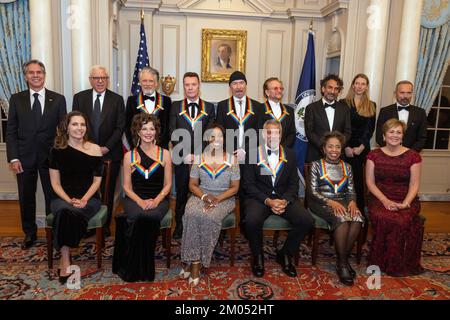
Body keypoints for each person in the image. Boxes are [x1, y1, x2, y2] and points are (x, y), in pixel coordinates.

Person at [6, 59, 67, 249]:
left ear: (44, 74)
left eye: (39, 72)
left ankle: (54, 232)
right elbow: (11, 131)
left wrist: (61, 157)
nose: (35, 75)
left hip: (50, 158)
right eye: (31, 73)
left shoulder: (57, 99)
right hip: (23, 158)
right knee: (26, 196)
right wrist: (13, 157)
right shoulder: (16, 99)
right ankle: (29, 233)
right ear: (26, 76)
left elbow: (63, 131)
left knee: (53, 196)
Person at [242, 120, 313, 278]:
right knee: (251, 220)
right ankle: (258, 256)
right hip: (259, 198)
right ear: (263, 134)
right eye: (269, 132)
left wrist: (285, 201)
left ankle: (285, 254)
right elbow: (249, 185)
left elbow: (294, 184)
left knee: (306, 220)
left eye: (277, 132)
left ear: (281, 135)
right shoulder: (252, 153)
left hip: (283, 198)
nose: (273, 136)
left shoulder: (291, 154)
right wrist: (268, 201)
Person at [112, 113, 172, 282]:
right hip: (134, 199)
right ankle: (135, 267)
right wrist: (140, 201)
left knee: (149, 216)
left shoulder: (165, 154)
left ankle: (144, 268)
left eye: (151, 128)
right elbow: (127, 188)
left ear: (156, 132)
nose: (148, 132)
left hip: (159, 199)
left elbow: (168, 185)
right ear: (137, 132)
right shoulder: (129, 156)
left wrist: (156, 200)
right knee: (139, 215)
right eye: (144, 128)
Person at [180, 123, 240, 286]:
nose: (216, 139)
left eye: (220, 136)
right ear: (207, 139)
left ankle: (196, 263)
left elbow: (235, 188)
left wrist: (217, 199)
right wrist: (205, 196)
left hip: (224, 198)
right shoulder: (199, 158)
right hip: (201, 195)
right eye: (212, 136)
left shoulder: (232, 159)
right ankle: (191, 259)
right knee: (191, 214)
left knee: (207, 216)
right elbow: (192, 185)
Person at [48, 111, 103, 284]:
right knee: (65, 211)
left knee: (68, 213)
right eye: (75, 124)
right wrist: (68, 199)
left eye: (82, 124)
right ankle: (65, 258)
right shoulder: (56, 150)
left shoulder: (94, 148)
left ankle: (65, 257)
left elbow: (97, 181)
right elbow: (55, 184)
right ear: (67, 127)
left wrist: (84, 199)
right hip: (62, 198)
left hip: (90, 198)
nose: (79, 128)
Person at [366, 118, 425, 276]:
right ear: (384, 135)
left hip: (406, 198)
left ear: (403, 136)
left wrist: (405, 204)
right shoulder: (373, 155)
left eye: (399, 132)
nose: (395, 135)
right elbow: (370, 183)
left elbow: (414, 185)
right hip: (379, 198)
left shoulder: (413, 156)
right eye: (391, 132)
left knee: (402, 220)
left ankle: (399, 263)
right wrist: (385, 201)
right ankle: (380, 261)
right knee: (386, 218)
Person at [72, 65, 125, 237]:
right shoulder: (79, 98)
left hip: (110, 153)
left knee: (107, 191)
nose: (100, 81)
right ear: (90, 80)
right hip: (85, 152)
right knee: (88, 189)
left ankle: (105, 225)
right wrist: (90, 147)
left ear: (107, 79)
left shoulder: (117, 99)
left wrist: (105, 147)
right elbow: (77, 125)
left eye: (103, 78)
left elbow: (119, 127)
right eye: (96, 78)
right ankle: (89, 224)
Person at [308, 132, 363, 286]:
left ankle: (342, 260)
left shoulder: (348, 167)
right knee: (342, 220)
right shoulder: (315, 165)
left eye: (337, 147)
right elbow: (312, 192)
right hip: (321, 202)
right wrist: (331, 203)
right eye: (330, 146)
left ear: (341, 148)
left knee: (358, 218)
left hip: (343, 201)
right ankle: (344, 264)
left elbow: (351, 191)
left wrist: (352, 203)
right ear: (324, 149)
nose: (334, 150)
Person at [169, 72, 215, 239]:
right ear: (184, 87)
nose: (190, 88)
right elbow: (172, 132)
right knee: (181, 193)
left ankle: (200, 226)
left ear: (198, 85)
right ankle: (180, 226)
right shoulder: (175, 106)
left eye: (193, 84)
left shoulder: (209, 107)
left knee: (201, 193)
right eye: (187, 85)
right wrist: (184, 154)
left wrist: (199, 155)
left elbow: (209, 134)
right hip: (182, 159)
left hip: (202, 160)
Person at [341, 74, 376, 213]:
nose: (360, 86)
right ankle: (344, 209)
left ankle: (359, 211)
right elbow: (342, 126)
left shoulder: (371, 105)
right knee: (345, 180)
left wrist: (361, 147)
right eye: (357, 83)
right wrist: (347, 147)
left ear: (366, 87)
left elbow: (370, 129)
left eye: (363, 84)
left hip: (362, 149)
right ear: (353, 85)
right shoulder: (343, 103)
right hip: (346, 147)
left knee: (359, 182)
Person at [304, 74, 351, 162]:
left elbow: (347, 132)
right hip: (316, 155)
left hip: (338, 156)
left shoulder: (344, 109)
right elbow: (309, 132)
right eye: (330, 87)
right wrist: (324, 147)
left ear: (339, 92)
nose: (333, 91)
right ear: (323, 89)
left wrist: (336, 148)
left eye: (336, 89)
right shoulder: (311, 108)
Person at [124, 66, 171, 149]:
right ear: (140, 82)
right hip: (138, 149)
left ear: (156, 84)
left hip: (161, 149)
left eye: (151, 81)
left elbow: (168, 127)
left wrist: (157, 147)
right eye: (144, 81)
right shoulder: (131, 101)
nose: (147, 84)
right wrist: (137, 146)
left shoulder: (166, 101)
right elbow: (128, 127)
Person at [376, 80, 427, 152]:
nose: (405, 96)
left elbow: (422, 138)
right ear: (395, 94)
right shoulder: (385, 111)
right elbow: (379, 136)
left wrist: (409, 154)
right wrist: (391, 152)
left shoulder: (420, 113)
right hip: (388, 154)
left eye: (409, 93)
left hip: (411, 156)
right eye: (402, 92)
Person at [260, 77, 296, 148]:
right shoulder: (259, 109)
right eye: (275, 88)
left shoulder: (289, 110)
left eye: (281, 88)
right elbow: (257, 132)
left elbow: (292, 134)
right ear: (267, 92)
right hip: (264, 152)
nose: (279, 91)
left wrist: (281, 148)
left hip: (284, 152)